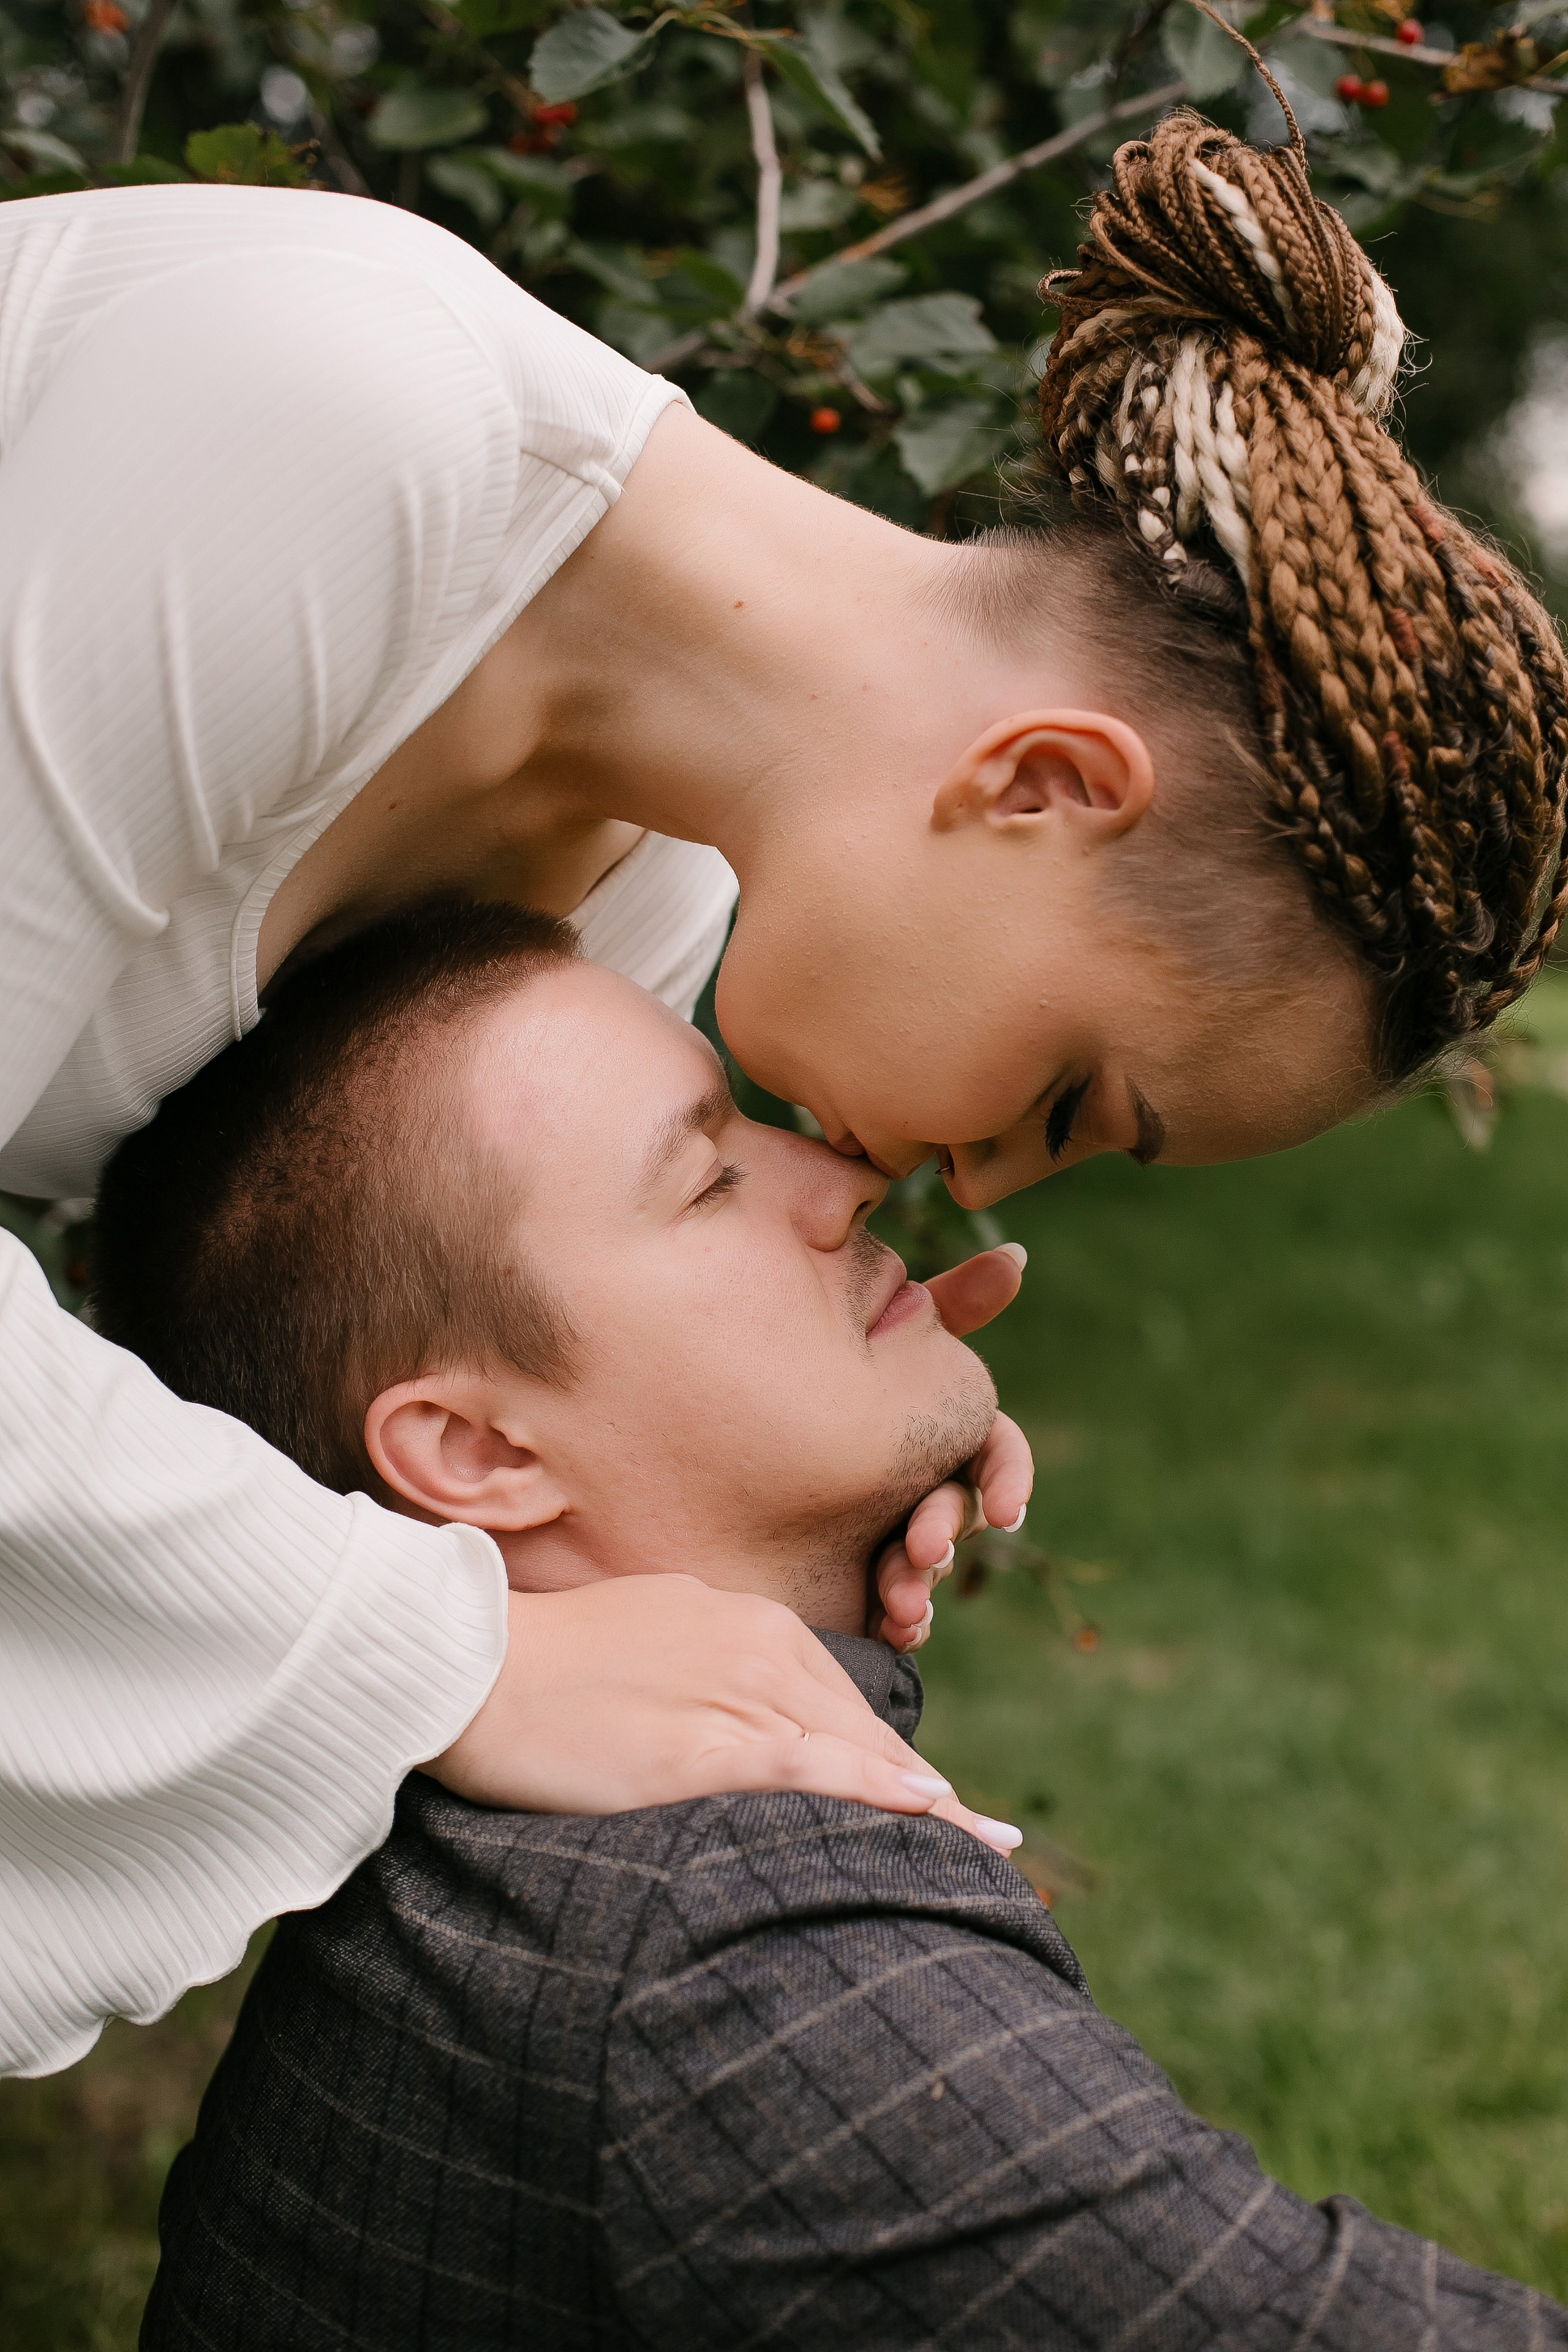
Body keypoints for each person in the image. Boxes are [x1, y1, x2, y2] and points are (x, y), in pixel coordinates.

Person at [4, 96, 1566, 2076]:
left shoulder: (639, 892)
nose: (986, 1178)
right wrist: (439, 1663)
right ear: (1046, 786)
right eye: (1075, 1102)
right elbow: (441, 1610)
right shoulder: (331, 428)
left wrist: (803, 1477)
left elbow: (355, 1393)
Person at [96, 902, 1563, 2350]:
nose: (840, 1179)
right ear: (477, 1455)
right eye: (706, 1179)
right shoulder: (723, 1949)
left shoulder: (501, 1857)